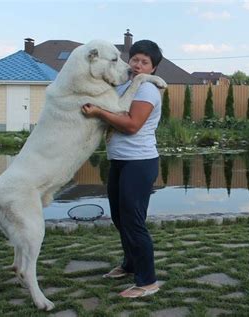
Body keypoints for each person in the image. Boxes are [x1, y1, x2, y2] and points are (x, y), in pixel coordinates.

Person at [81, 39, 163, 298]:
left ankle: (147, 282)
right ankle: (129, 265)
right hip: (121, 161)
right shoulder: (126, 85)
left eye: (144, 62)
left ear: (153, 68)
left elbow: (131, 125)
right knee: (120, 218)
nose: (138, 65)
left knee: (133, 221)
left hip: (140, 163)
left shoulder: (147, 90)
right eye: (135, 59)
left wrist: (98, 113)